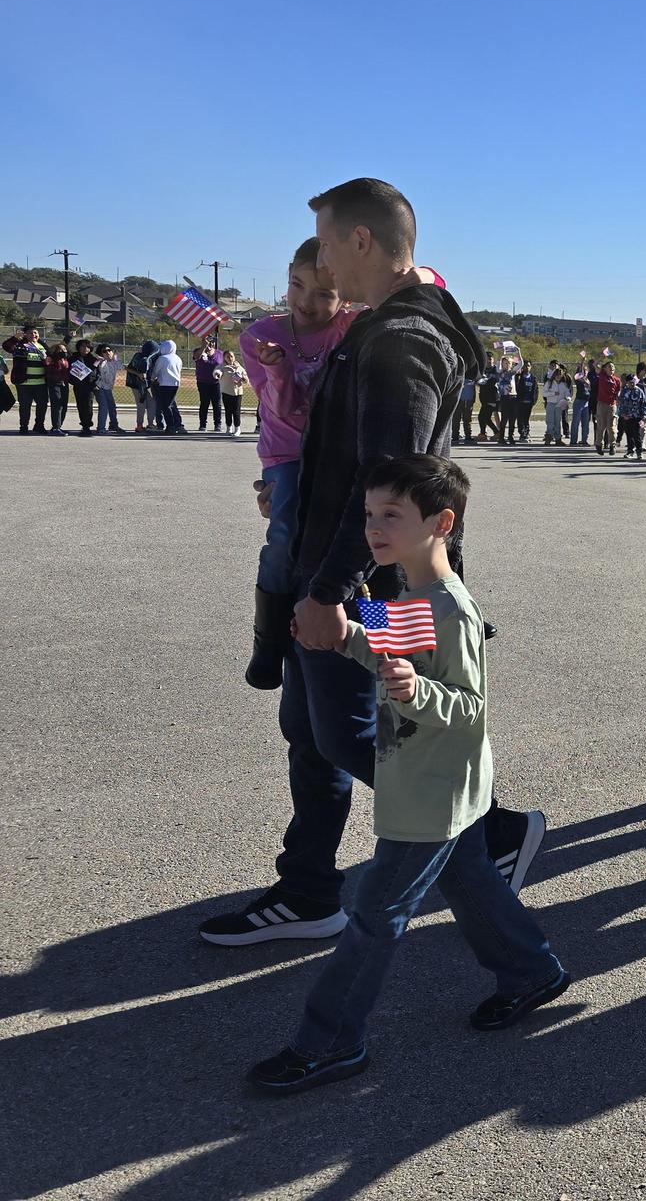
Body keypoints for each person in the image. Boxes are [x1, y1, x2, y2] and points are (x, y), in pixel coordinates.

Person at [198, 177, 542, 948]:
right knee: (312, 729)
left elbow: (392, 483)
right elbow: (355, 458)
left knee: (353, 734)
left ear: (360, 242)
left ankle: (492, 839)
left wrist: (328, 592)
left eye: (325, 243)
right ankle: (310, 889)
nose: (320, 262)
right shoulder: (388, 324)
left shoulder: (401, 339)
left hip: (372, 589)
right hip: (350, 575)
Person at [246, 455, 568, 1096]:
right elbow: (391, 646)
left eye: (391, 515)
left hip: (432, 791)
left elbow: (469, 706)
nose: (373, 528)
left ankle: (331, 1041)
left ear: (441, 522)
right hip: (428, 780)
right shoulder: (406, 592)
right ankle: (531, 971)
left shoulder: (451, 609)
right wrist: (343, 638)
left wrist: (417, 691)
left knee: (374, 915)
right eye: (369, 514)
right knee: (472, 881)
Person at [239, 236, 358, 690]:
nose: (306, 301)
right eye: (296, 285)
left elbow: (429, 283)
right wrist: (278, 369)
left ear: (344, 293)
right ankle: (268, 641)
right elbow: (284, 408)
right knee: (285, 531)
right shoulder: (260, 337)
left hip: (335, 450)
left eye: (324, 292)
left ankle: (376, 631)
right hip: (287, 451)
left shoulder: (353, 325)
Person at [6, 325, 50, 434]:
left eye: (35, 333)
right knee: (25, 406)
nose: (33, 335)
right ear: (25, 334)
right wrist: (15, 338)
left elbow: (53, 354)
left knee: (42, 405)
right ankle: (24, 427)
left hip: (41, 383)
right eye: (30, 333)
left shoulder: (42, 346)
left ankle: (39, 426)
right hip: (24, 383)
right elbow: (7, 346)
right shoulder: (20, 345)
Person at [149, 338, 185, 433]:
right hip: (175, 384)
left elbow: (156, 371)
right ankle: (178, 424)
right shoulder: (178, 358)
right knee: (171, 404)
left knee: (166, 406)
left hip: (164, 384)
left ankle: (170, 426)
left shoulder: (162, 358)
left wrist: (152, 379)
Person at [68, 340, 99, 436]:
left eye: (88, 347)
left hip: (89, 387)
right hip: (78, 386)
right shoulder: (73, 358)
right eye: (83, 346)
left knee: (88, 406)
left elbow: (96, 373)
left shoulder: (94, 359)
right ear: (78, 347)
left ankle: (87, 426)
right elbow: (71, 371)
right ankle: (83, 424)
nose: (85, 349)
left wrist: (93, 382)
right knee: (80, 406)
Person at [616, 370, 646, 456]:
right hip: (627, 417)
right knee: (629, 434)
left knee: (637, 435)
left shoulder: (639, 391)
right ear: (627, 382)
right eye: (630, 382)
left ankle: (639, 451)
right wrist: (622, 414)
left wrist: (644, 416)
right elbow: (620, 404)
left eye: (634, 381)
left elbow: (644, 404)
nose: (632, 383)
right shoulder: (624, 391)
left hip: (637, 417)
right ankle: (630, 451)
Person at [92, 344, 124, 434]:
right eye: (104, 351)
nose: (107, 352)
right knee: (104, 407)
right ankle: (101, 428)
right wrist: (100, 360)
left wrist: (116, 356)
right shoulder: (100, 362)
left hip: (108, 388)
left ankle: (113, 425)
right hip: (99, 387)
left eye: (109, 350)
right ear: (101, 353)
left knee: (112, 406)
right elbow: (96, 367)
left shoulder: (114, 361)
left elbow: (121, 367)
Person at [126, 338, 155, 432]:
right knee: (141, 404)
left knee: (151, 403)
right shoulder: (139, 357)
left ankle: (150, 424)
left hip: (147, 385)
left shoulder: (150, 358)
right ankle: (139, 425)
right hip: (136, 385)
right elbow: (129, 368)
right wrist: (138, 374)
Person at [195, 340, 225, 431]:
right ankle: (203, 424)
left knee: (217, 404)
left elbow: (224, 365)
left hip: (216, 383)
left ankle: (217, 424)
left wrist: (221, 373)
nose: (209, 345)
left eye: (211, 343)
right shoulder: (199, 351)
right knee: (204, 403)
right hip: (203, 382)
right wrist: (203, 347)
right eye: (207, 343)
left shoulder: (220, 353)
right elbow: (196, 356)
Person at [592, 359, 619, 455]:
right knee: (601, 425)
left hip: (612, 405)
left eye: (613, 367)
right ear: (605, 369)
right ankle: (599, 444)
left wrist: (617, 401)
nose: (611, 368)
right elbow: (595, 364)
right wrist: (602, 357)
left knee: (611, 427)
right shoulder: (602, 376)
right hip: (601, 404)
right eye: (609, 366)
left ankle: (612, 445)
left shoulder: (617, 380)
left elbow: (618, 392)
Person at [542, 364, 573, 445]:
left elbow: (567, 393)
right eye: (557, 374)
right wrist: (553, 393)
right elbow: (544, 393)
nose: (558, 376)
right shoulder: (549, 383)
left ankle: (558, 438)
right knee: (550, 421)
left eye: (560, 375)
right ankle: (548, 437)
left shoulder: (564, 385)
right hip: (551, 404)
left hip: (559, 405)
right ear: (554, 375)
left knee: (557, 422)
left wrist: (568, 398)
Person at [217, 353, 247, 433]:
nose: (230, 358)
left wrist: (244, 379)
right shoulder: (222, 367)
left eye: (231, 356)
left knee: (236, 411)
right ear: (224, 358)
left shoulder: (239, 367)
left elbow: (246, 378)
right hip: (226, 392)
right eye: (227, 356)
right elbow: (217, 371)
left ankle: (237, 429)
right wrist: (218, 374)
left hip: (237, 393)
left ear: (234, 357)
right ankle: (228, 428)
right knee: (228, 411)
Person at [46, 343, 71, 434]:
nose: (63, 351)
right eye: (60, 350)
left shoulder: (66, 359)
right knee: (57, 404)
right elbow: (48, 367)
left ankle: (59, 426)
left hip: (64, 384)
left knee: (63, 405)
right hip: (54, 384)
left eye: (64, 350)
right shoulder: (51, 359)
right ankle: (55, 427)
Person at [570, 362, 593, 447]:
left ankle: (584, 440)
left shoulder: (588, 380)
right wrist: (582, 363)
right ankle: (573, 441)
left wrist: (588, 384)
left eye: (586, 370)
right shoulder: (578, 379)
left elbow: (590, 390)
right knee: (576, 422)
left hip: (586, 402)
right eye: (583, 371)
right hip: (579, 402)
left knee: (585, 423)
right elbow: (578, 374)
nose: (585, 372)